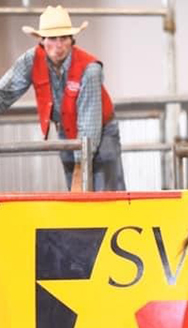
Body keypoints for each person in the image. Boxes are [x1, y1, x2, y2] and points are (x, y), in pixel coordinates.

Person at [0, 5, 125, 191]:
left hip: (101, 131)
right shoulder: (31, 60)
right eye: (52, 39)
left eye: (64, 38)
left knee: (106, 194)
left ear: (72, 40)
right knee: (76, 199)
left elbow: (89, 125)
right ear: (42, 41)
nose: (58, 46)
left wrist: (80, 168)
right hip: (67, 131)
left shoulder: (89, 69)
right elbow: (5, 91)